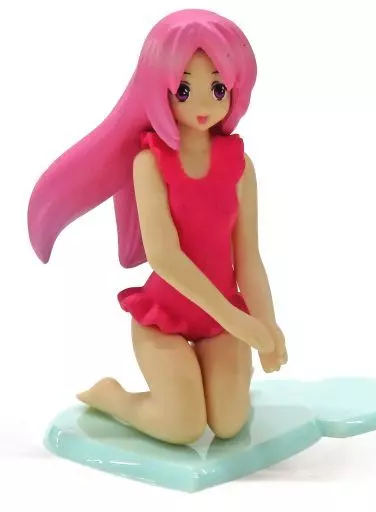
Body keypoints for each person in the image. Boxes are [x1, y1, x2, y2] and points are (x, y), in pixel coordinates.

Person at [27, 8, 287, 445]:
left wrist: (267, 323)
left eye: (217, 88)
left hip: (222, 321)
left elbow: (249, 258)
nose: (202, 105)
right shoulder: (149, 164)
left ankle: (204, 379)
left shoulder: (239, 166)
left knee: (228, 423)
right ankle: (117, 400)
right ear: (159, 87)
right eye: (184, 89)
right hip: (165, 317)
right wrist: (240, 321)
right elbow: (165, 258)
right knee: (183, 425)